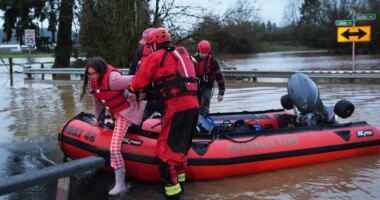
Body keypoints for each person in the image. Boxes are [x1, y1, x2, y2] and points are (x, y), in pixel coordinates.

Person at [129, 28, 199, 200]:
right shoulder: (182, 52)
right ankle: (180, 185)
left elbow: (136, 84)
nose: (148, 48)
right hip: (193, 106)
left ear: (154, 43)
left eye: (149, 45)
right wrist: (152, 94)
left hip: (177, 108)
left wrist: (133, 89)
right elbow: (173, 83)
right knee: (180, 149)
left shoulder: (156, 56)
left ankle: (172, 193)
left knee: (164, 153)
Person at [80, 57, 145, 196]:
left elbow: (137, 78)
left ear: (101, 71)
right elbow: (98, 103)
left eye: (94, 74)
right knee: (115, 142)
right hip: (115, 113)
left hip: (126, 112)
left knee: (114, 147)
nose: (92, 77)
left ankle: (120, 184)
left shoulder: (113, 79)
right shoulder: (94, 83)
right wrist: (99, 119)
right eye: (89, 74)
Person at [192, 40, 225, 114]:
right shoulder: (192, 59)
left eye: (206, 53)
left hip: (207, 87)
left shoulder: (213, 61)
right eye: (202, 53)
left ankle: (204, 120)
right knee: (194, 106)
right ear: (198, 50)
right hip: (195, 87)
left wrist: (221, 93)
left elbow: (219, 77)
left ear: (209, 52)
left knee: (204, 106)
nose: (204, 55)